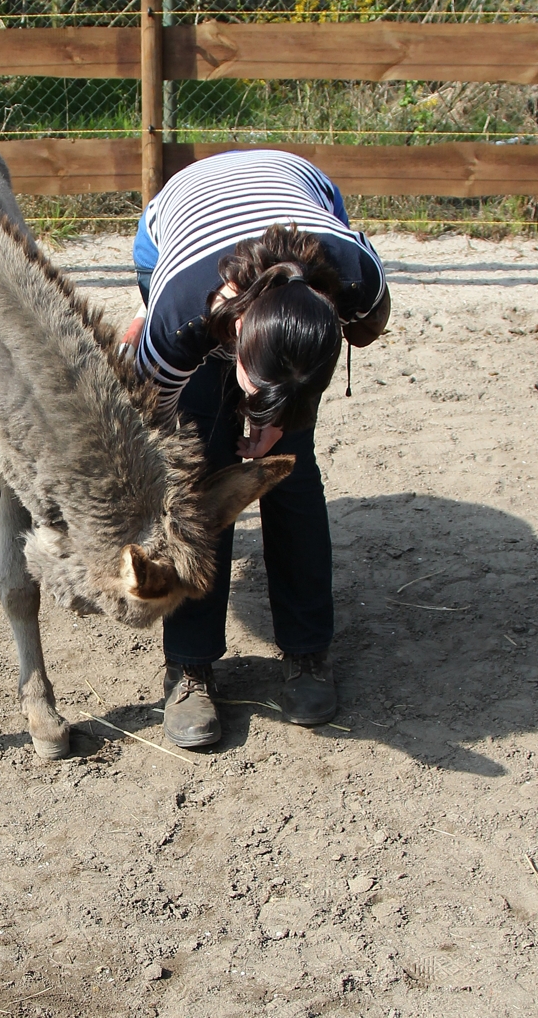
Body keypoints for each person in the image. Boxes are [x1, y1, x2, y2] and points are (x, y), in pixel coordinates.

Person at [123, 149, 390, 748]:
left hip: (298, 200)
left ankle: (308, 650)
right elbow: (157, 437)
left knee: (291, 469)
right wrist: (212, 464)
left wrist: (278, 422)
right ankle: (188, 664)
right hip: (181, 222)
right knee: (196, 473)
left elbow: (371, 323)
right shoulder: (180, 315)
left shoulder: (351, 276)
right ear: (237, 332)